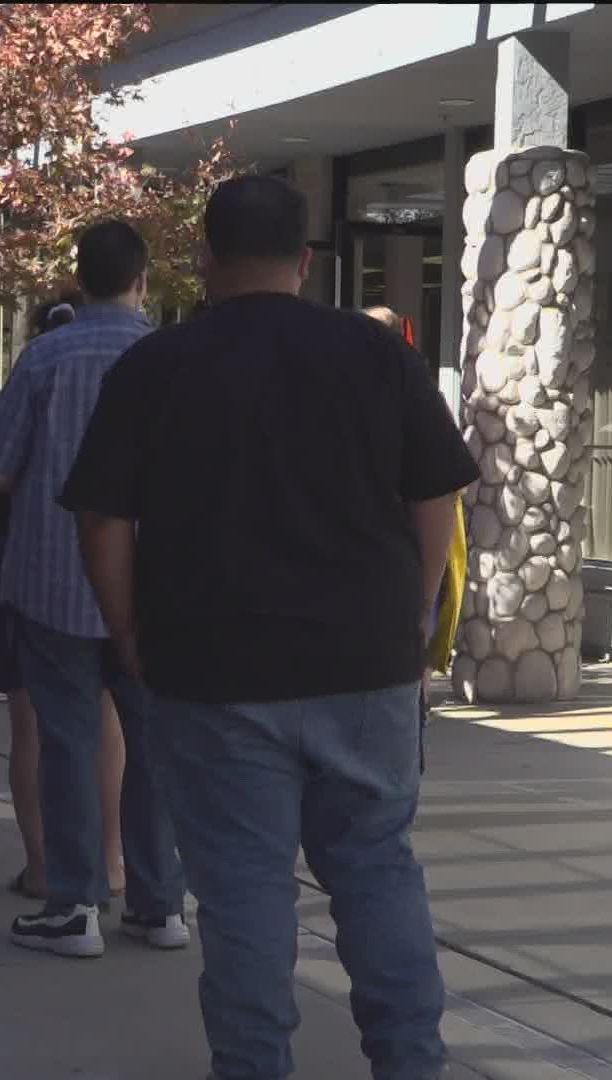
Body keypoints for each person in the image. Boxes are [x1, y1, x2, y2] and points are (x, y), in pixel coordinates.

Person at [60, 176, 478, 1078]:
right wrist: (408, 612)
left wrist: (129, 632)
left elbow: (101, 522)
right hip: (364, 661)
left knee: (244, 895)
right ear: (308, 260)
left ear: (204, 258)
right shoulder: (377, 356)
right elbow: (434, 493)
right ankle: (411, 1063)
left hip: (212, 667)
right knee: (376, 871)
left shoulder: (157, 366)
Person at [0, 222, 187, 959]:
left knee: (66, 742)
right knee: (154, 747)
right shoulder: (174, 360)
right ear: (143, 281)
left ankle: (73, 905)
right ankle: (159, 906)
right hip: (158, 584)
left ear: (80, 278)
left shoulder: (44, 357)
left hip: (52, 582)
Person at [0, 295, 128, 904]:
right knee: (112, 717)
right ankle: (113, 865)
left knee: (35, 721)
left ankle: (47, 870)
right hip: (123, 562)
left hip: (35, 566)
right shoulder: (147, 360)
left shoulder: (24, 380)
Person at [362, 305, 469, 772]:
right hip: (411, 564)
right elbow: (444, 493)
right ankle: (410, 746)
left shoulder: (341, 397)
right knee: (414, 659)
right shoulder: (418, 397)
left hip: (385, 566)